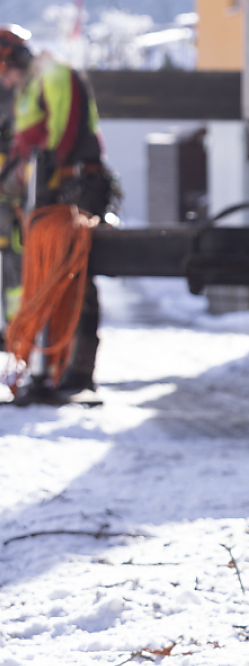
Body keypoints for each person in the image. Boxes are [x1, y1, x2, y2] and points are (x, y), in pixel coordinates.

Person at [0, 24, 112, 403]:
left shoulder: (54, 74)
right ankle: (47, 371)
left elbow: (60, 137)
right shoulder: (29, 86)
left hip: (75, 186)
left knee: (73, 272)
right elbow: (25, 145)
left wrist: (40, 183)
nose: (6, 81)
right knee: (46, 275)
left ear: (11, 60)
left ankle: (76, 372)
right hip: (48, 190)